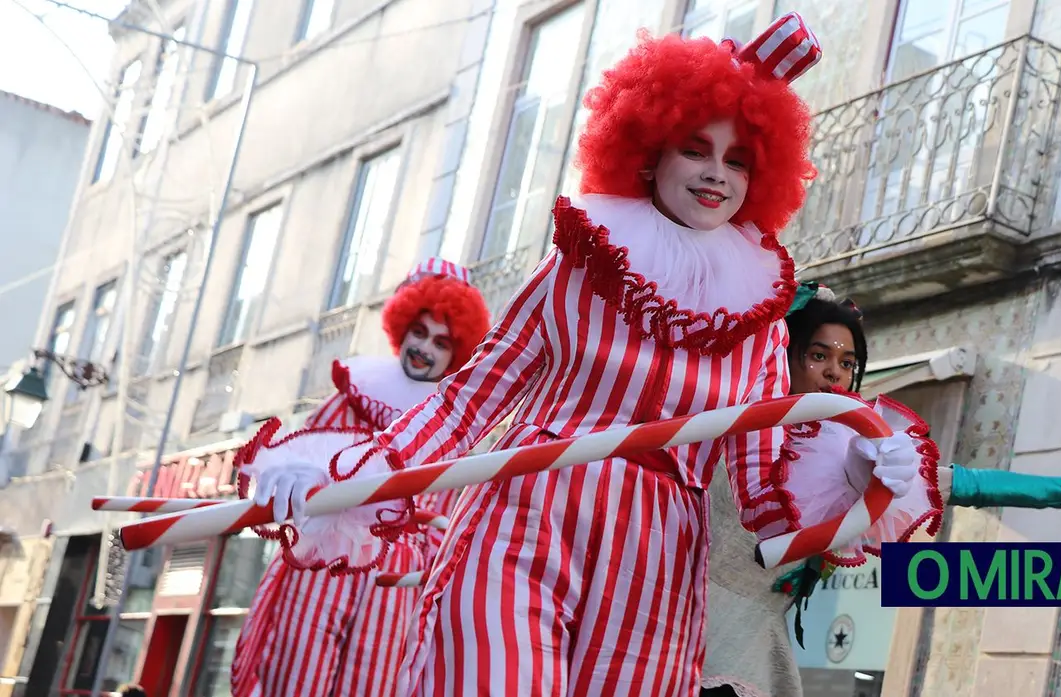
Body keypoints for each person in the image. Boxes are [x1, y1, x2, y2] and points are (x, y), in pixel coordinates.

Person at [251, 15, 861, 697]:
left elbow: (760, 486)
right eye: (696, 149)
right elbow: (471, 397)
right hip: (527, 514)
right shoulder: (577, 266)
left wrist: (854, 479)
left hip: (655, 564)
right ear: (649, 149)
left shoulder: (758, 323)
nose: (717, 174)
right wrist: (357, 476)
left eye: (738, 159)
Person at [698, 284, 1061, 697]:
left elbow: (979, 486)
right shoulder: (725, 412)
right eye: (818, 356)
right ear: (786, 353)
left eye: (847, 363)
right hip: (665, 616)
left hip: (745, 651)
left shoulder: (869, 455)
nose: (834, 373)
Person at [229, 258, 490, 697]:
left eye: (441, 343)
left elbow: (449, 522)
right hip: (325, 559)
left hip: (396, 582)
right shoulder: (354, 395)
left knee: (372, 682)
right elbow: (294, 456)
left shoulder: (449, 429)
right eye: (420, 333)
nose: (425, 348)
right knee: (296, 673)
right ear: (402, 327)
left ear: (455, 353)